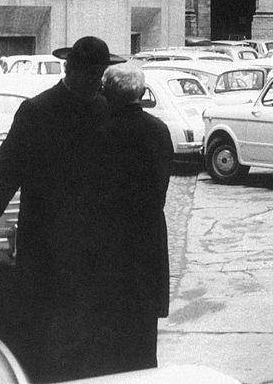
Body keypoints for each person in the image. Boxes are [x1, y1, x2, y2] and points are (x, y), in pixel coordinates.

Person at [0, 36, 125, 382]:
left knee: (85, 331)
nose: (95, 81)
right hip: (45, 244)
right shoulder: (37, 111)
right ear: (70, 69)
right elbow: (8, 163)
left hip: (89, 244)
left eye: (99, 74)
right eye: (89, 73)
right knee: (44, 330)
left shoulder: (102, 109)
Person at [98, 63, 174, 374]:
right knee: (144, 340)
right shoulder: (158, 130)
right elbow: (161, 186)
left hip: (109, 244)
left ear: (107, 93)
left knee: (108, 340)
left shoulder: (100, 130)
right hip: (147, 240)